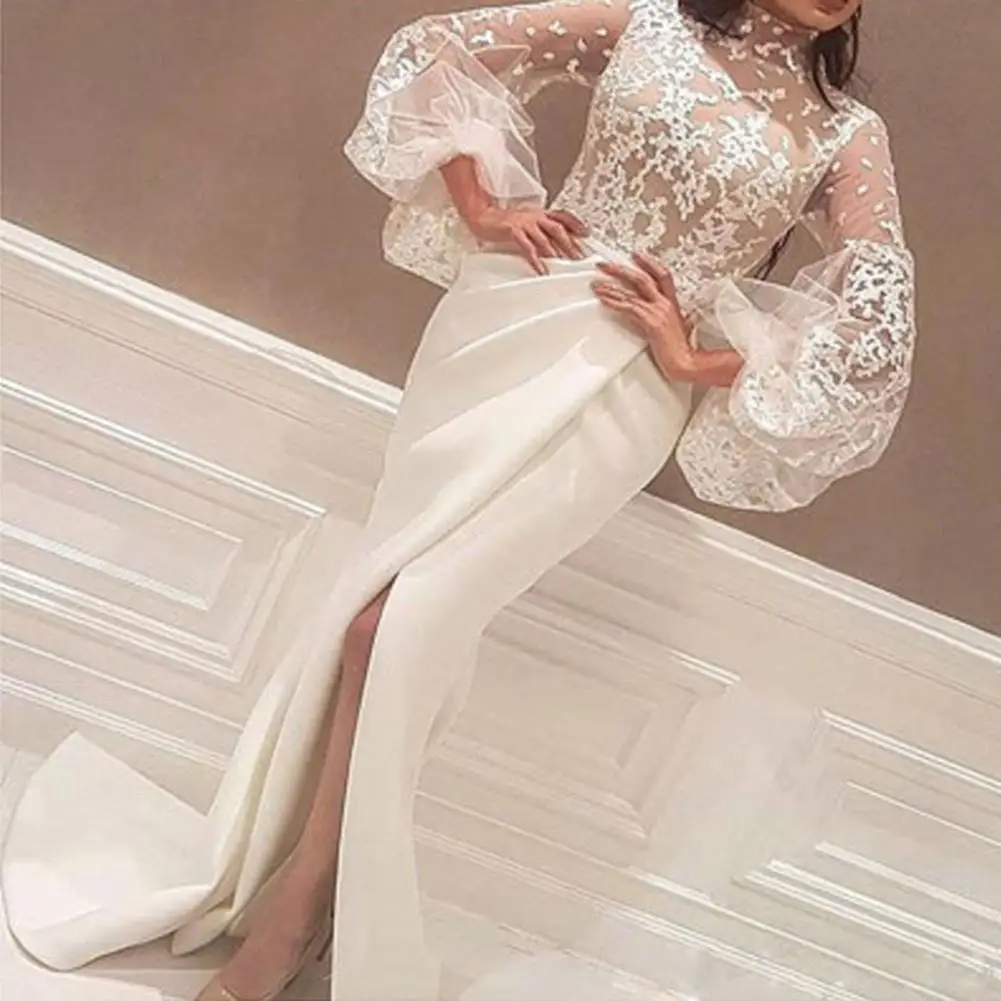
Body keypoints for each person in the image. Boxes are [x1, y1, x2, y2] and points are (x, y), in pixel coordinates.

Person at [0, 2, 916, 1000]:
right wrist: (482, 208)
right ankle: (302, 898)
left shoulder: (843, 133)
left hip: (623, 391)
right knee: (372, 623)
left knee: (400, 624)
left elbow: (871, 336)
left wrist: (691, 357)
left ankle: (298, 912)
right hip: (504, 319)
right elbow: (439, 49)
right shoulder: (645, 23)